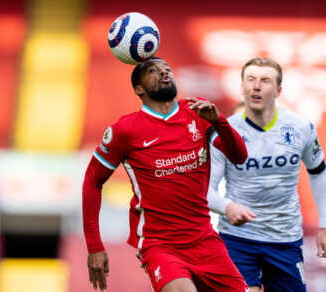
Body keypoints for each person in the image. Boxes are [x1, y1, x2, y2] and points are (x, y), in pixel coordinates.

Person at [82, 57, 250, 291]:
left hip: (205, 240)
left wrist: (220, 122)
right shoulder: (125, 130)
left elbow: (239, 156)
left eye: (167, 69)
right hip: (160, 244)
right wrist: (94, 246)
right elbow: (92, 181)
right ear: (138, 89)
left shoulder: (196, 111)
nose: (163, 73)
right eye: (153, 70)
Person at [207, 57, 326, 292]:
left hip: (284, 239)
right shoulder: (222, 133)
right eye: (250, 80)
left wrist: (325, 226)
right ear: (242, 87)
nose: (256, 86)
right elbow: (205, 191)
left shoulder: (300, 127)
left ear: (278, 90)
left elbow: (319, 172)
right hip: (237, 239)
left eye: (265, 81)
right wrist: (227, 207)